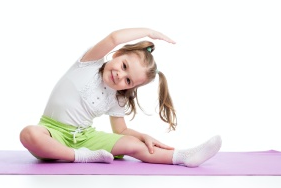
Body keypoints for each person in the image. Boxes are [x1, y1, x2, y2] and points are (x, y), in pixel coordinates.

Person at [19, 28, 222, 167]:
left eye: (128, 81)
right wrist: (148, 32)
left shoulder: (118, 97)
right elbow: (114, 38)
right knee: (29, 134)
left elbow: (121, 130)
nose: (120, 76)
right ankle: (80, 157)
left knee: (133, 145)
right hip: (52, 134)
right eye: (124, 66)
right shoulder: (88, 64)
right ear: (118, 54)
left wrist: (144, 138)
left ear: (131, 87)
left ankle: (182, 156)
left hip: (85, 137)